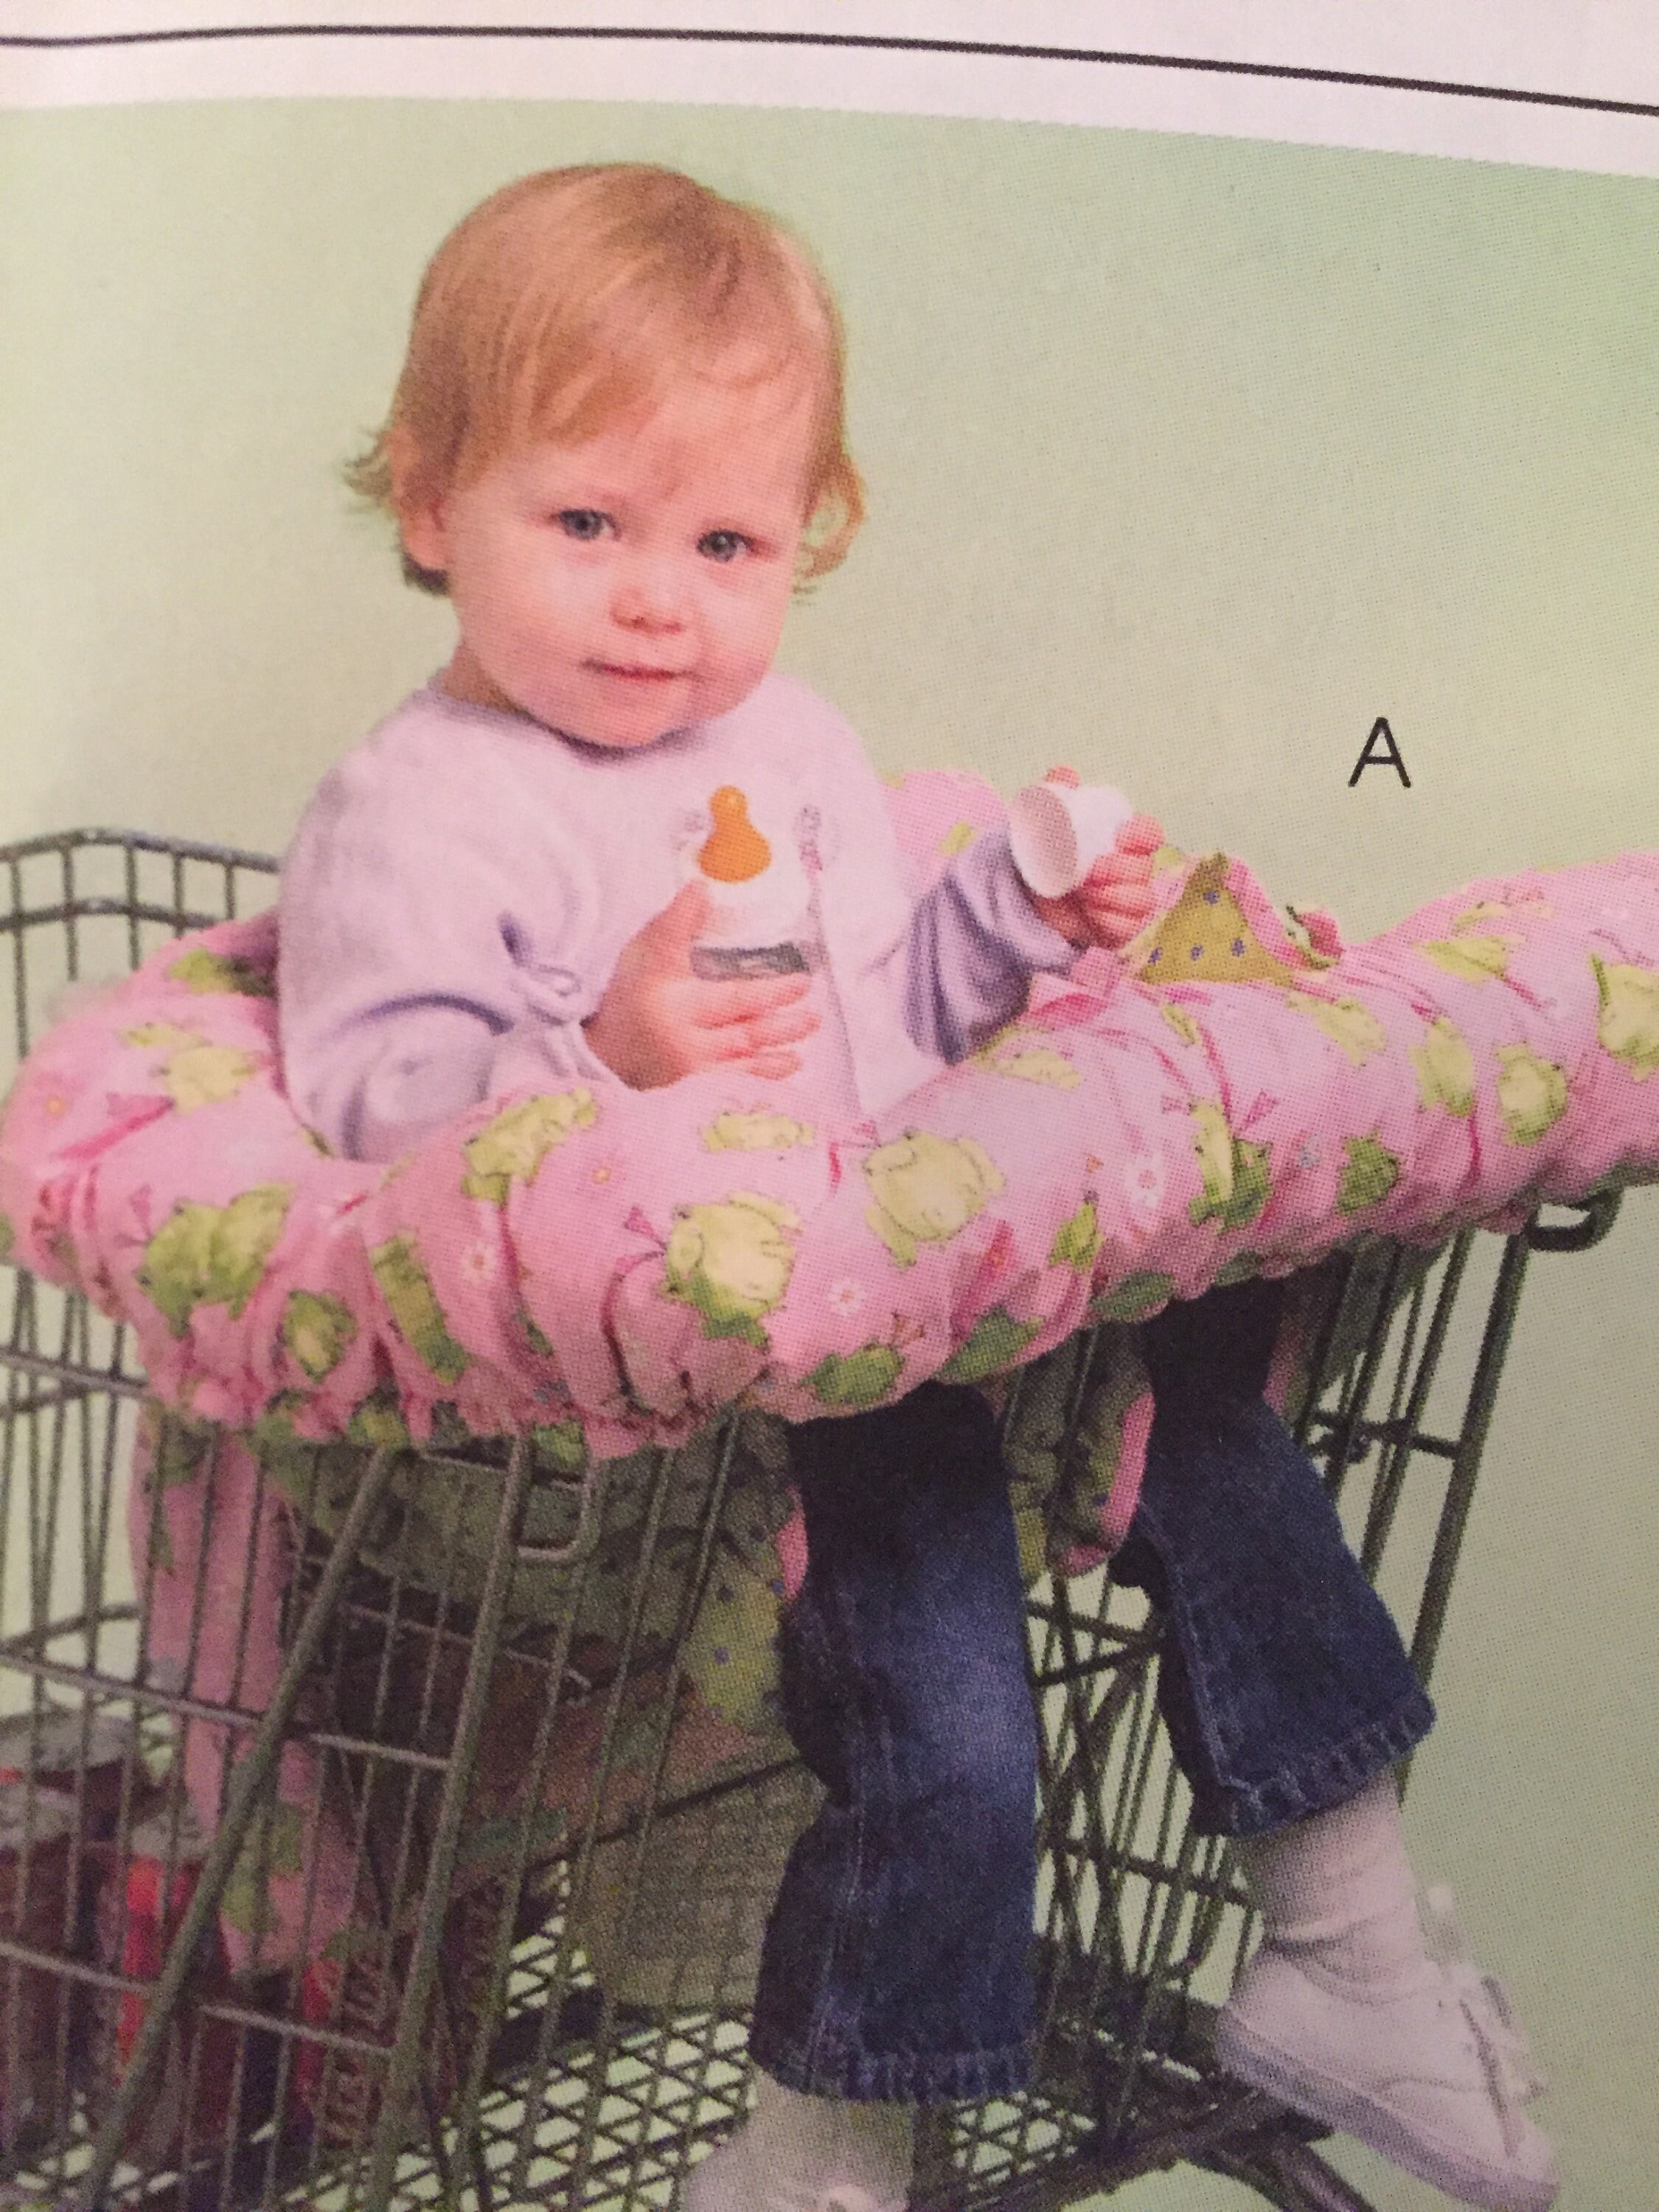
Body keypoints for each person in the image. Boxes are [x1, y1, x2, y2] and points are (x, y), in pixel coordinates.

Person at [277, 164, 1555, 2212]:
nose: (652, 596)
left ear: (807, 540)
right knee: (951, 1714)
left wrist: (1011, 912)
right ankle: (826, 2141)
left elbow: (885, 1030)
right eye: (584, 521)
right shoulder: (421, 809)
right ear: (431, 504)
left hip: (886, 1313)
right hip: (674, 1423)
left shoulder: (783, 740)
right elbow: (373, 1111)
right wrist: (605, 1052)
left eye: (721, 539)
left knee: (1204, 1442)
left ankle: (1348, 1942)